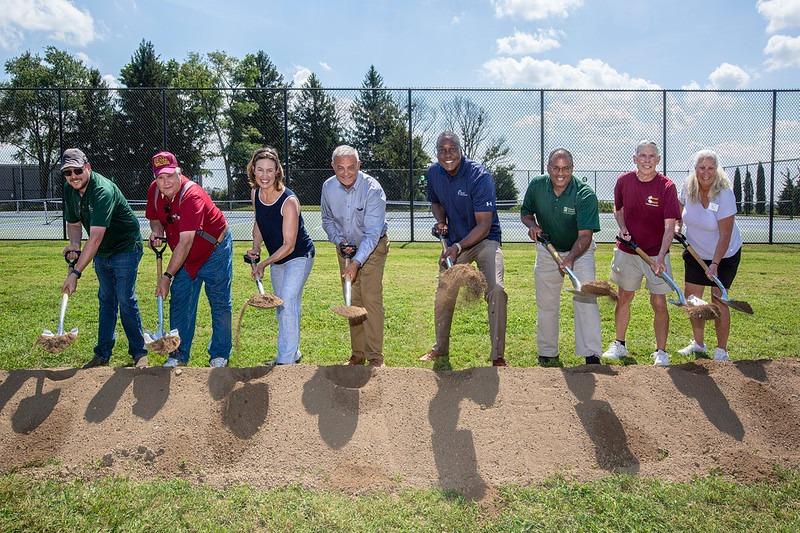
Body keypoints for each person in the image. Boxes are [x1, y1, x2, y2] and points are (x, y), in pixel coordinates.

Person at [420, 131, 508, 367]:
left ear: (461, 150)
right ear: (436, 152)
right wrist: (441, 222)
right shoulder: (433, 173)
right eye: (442, 150)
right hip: (456, 243)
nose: (447, 154)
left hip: (485, 240)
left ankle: (497, 355)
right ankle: (440, 347)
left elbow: (484, 224)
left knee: (496, 290)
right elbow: (436, 202)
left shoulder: (479, 176)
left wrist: (457, 247)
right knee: (444, 291)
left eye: (452, 149)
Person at [60, 148, 148, 369]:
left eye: (77, 170)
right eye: (68, 172)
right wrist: (73, 245)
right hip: (103, 251)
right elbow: (73, 223)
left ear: (87, 167)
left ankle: (139, 353)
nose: (73, 176)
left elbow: (96, 237)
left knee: (125, 299)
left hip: (126, 246)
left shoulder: (102, 190)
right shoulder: (70, 190)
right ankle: (102, 355)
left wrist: (75, 273)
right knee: (106, 299)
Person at [144, 151, 232, 368]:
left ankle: (219, 355)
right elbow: (155, 218)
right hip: (184, 256)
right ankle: (178, 354)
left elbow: (186, 242)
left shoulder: (192, 195)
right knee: (181, 302)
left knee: (219, 303)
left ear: (179, 173)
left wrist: (166, 276)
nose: (165, 182)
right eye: (160, 177)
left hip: (215, 251)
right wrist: (157, 232)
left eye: (170, 176)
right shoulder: (155, 191)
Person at [520, 148, 602, 366]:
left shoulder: (585, 194)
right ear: (548, 168)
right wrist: (532, 226)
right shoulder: (537, 186)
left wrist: (570, 258)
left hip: (580, 251)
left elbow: (585, 236)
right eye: (555, 168)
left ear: (572, 169)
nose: (560, 173)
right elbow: (526, 213)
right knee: (546, 302)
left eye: (566, 169)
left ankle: (591, 353)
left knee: (586, 298)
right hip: (548, 248)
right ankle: (547, 352)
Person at [603, 140, 681, 366]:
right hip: (628, 251)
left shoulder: (667, 186)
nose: (647, 160)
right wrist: (623, 227)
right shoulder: (623, 182)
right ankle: (619, 345)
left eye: (651, 156)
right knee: (625, 296)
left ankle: (661, 352)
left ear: (658, 160)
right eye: (642, 156)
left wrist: (661, 256)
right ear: (634, 158)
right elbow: (619, 210)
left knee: (658, 302)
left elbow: (670, 226)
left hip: (657, 254)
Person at [245, 147, 315, 365]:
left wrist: (264, 262)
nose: (264, 175)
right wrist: (256, 247)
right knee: (285, 306)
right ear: (253, 171)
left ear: (277, 172)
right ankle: (293, 353)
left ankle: (285, 361)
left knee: (286, 302)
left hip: (299, 256)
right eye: (260, 170)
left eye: (269, 170)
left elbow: (289, 244)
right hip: (278, 258)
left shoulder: (289, 201)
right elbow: (259, 222)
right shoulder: (256, 193)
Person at [320, 145, 389, 367]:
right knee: (353, 299)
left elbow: (372, 233)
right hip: (345, 248)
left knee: (370, 298)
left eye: (351, 167)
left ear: (359, 165)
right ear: (333, 167)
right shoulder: (328, 188)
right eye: (340, 168)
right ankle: (358, 355)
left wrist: (357, 262)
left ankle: (376, 358)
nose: (346, 172)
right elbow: (327, 219)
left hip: (373, 247)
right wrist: (339, 242)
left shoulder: (373, 190)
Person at [676, 150, 743, 362]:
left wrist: (714, 263)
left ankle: (721, 350)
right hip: (696, 253)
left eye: (711, 168)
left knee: (718, 299)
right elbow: (680, 211)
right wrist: (678, 226)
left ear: (717, 169)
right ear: (695, 169)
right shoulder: (688, 187)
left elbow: (725, 235)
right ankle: (698, 343)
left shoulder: (724, 194)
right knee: (693, 299)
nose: (706, 173)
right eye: (701, 167)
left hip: (724, 254)